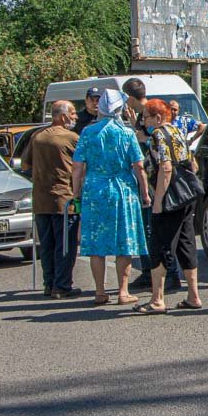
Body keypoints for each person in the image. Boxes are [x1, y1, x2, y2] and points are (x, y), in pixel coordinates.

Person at [71, 90, 150, 306]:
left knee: (96, 242)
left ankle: (99, 291)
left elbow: (77, 166)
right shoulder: (126, 134)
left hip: (95, 189)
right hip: (123, 189)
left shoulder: (88, 133)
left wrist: (76, 191)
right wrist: (145, 193)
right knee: (124, 241)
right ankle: (123, 292)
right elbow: (139, 166)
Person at [132, 99, 204, 314]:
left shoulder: (158, 135)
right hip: (187, 196)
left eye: (146, 117)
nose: (144, 121)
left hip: (169, 198)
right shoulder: (177, 131)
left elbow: (165, 168)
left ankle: (157, 300)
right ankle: (193, 295)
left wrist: (158, 201)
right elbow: (193, 163)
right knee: (186, 243)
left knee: (160, 246)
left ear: (159, 117)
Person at [120, 77, 181, 290]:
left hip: (155, 179)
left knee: (154, 228)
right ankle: (152, 271)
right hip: (148, 176)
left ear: (129, 96)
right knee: (149, 228)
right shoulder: (141, 115)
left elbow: (151, 142)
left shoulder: (152, 113)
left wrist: (134, 130)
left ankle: (165, 273)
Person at [21, 101, 81, 299]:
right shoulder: (72, 138)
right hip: (64, 199)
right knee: (65, 245)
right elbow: (82, 166)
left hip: (40, 199)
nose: (76, 117)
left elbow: (25, 165)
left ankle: (49, 283)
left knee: (46, 245)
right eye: (72, 114)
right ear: (62, 116)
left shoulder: (37, 137)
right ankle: (62, 285)